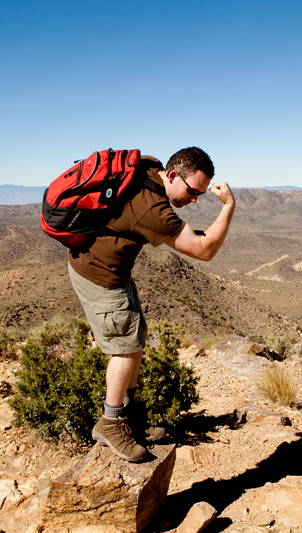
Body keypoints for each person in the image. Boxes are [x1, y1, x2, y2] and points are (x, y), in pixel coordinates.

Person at [67, 146, 235, 462]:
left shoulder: (148, 170)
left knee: (136, 338)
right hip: (99, 274)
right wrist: (228, 206)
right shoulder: (152, 210)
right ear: (172, 175)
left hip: (113, 270)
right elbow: (204, 250)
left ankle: (128, 416)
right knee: (125, 348)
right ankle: (110, 422)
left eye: (200, 193)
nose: (195, 199)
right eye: (193, 191)